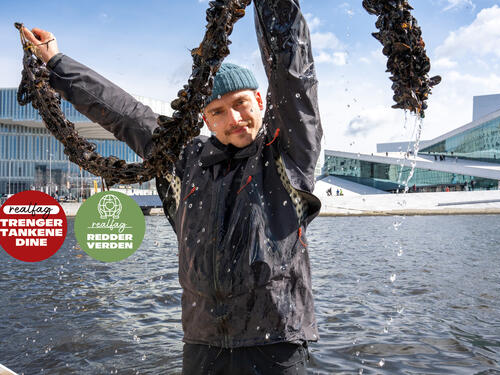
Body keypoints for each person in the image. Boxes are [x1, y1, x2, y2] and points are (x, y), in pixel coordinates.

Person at [23, 0, 322, 373]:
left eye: (241, 103)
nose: (234, 119)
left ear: (259, 101)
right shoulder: (184, 161)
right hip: (201, 344)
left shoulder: (287, 153)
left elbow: (292, 77)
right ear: (205, 119)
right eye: (217, 111)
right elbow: (124, 114)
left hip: (275, 345)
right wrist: (55, 62)